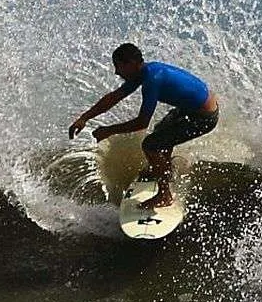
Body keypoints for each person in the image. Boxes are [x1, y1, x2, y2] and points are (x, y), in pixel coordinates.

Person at [68, 43, 218, 210]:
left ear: (131, 63)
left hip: (204, 117)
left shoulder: (152, 79)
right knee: (161, 130)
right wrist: (84, 118)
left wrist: (108, 131)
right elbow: (114, 97)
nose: (116, 72)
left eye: (118, 66)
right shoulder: (145, 72)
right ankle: (163, 169)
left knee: (150, 145)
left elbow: (141, 123)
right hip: (191, 109)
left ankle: (164, 195)